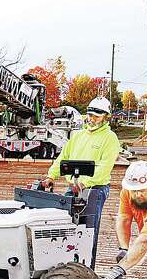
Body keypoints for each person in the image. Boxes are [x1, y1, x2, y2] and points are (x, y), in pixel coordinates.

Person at [38, 97, 120, 264]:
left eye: (97, 116)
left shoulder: (109, 138)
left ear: (105, 117)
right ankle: (70, 263)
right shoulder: (77, 136)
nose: (92, 119)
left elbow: (104, 166)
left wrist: (84, 183)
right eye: (90, 115)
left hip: (94, 189)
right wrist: (50, 176)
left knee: (88, 229)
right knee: (67, 226)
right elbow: (63, 158)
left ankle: (87, 266)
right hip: (73, 187)